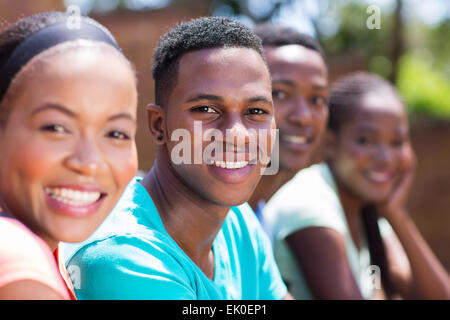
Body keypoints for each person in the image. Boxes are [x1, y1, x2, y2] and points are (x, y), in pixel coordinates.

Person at [65, 16, 290, 300]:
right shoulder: (123, 255)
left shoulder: (237, 221)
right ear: (159, 125)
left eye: (256, 111)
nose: (237, 134)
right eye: (206, 109)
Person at [264, 72, 450, 299]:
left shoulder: (365, 208)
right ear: (331, 144)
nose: (385, 157)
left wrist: (396, 214)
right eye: (365, 141)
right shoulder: (310, 203)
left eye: (397, 142)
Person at [0, 11, 138, 299]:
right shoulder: (15, 257)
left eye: (116, 133)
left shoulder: (52, 258)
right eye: (56, 128)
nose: (89, 163)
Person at [248, 24, 329, 235]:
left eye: (317, 99)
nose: (303, 117)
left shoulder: (261, 220)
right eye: (280, 94)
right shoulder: (200, 223)